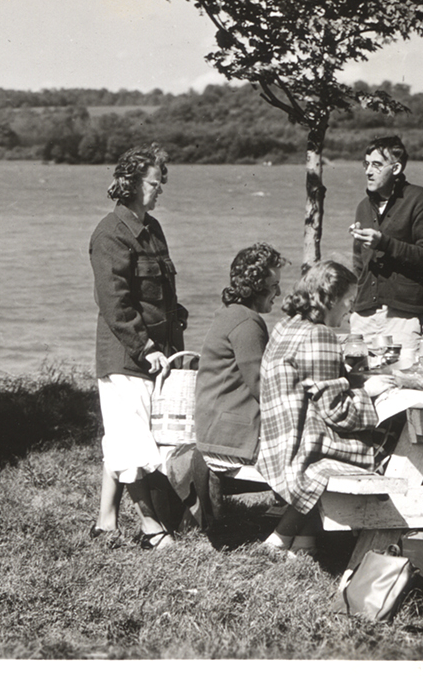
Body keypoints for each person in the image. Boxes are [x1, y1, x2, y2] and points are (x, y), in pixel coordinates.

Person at [89, 144, 189, 549]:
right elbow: (115, 304)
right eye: (154, 181)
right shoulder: (110, 234)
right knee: (131, 442)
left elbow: (159, 294)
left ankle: (105, 521)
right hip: (125, 356)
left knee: (122, 436)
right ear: (130, 184)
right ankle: (151, 529)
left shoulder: (153, 229)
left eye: (161, 180)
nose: (160, 187)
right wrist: (145, 346)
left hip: (157, 354)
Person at [255, 260, 390, 558]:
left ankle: (300, 544)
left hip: (276, 437)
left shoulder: (286, 326)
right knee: (385, 447)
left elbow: (315, 385)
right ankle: (280, 540)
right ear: (329, 298)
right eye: (349, 301)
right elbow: (338, 412)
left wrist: (349, 380)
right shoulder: (320, 336)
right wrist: (366, 392)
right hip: (301, 447)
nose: (350, 310)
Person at [194, 243, 287, 468]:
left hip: (214, 431)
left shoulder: (230, 314)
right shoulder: (247, 323)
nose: (280, 293)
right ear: (256, 287)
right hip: (232, 439)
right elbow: (264, 388)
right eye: (275, 286)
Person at [348, 136, 423, 350]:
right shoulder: (363, 206)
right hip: (363, 317)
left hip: (402, 317)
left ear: (396, 168)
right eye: (366, 164)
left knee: (401, 381)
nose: (368, 171)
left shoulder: (420, 200)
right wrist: (354, 306)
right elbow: (359, 263)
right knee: (361, 381)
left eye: (377, 165)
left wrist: (384, 243)